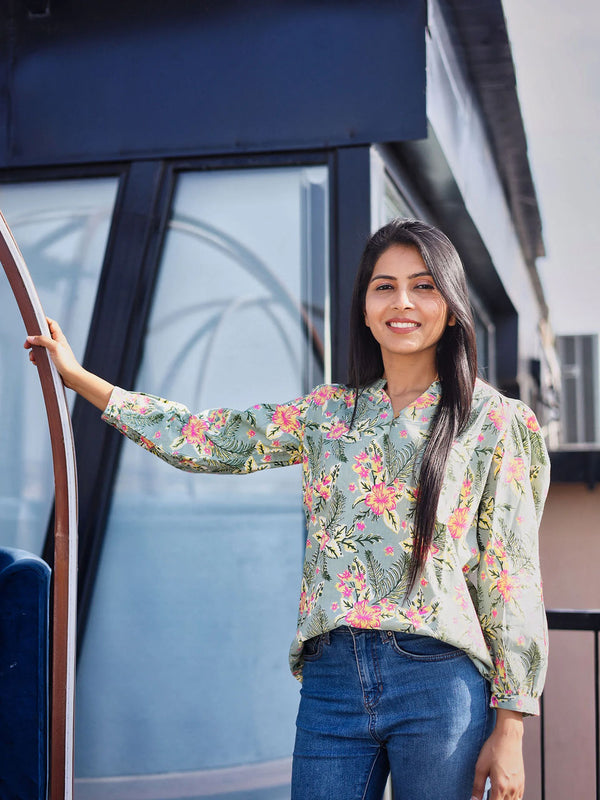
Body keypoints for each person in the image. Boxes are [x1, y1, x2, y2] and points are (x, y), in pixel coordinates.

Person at [26, 218, 549, 800]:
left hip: (439, 681)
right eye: (385, 286)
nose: (403, 302)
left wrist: (511, 728)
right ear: (365, 308)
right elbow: (205, 440)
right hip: (332, 681)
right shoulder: (330, 413)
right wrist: (81, 380)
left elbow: (511, 577)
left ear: (451, 307)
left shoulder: (493, 421)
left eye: (424, 286)